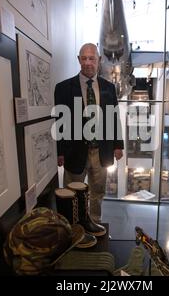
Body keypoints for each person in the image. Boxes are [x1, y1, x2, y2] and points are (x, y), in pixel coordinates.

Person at [54, 43, 124, 224]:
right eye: (84, 58)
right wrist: (59, 151)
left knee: (97, 192)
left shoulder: (109, 87)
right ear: (78, 60)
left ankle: (94, 223)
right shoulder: (63, 88)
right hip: (74, 151)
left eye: (91, 58)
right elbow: (60, 123)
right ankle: (73, 228)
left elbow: (114, 117)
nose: (87, 62)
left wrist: (118, 145)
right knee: (72, 192)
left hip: (101, 150)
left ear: (99, 60)